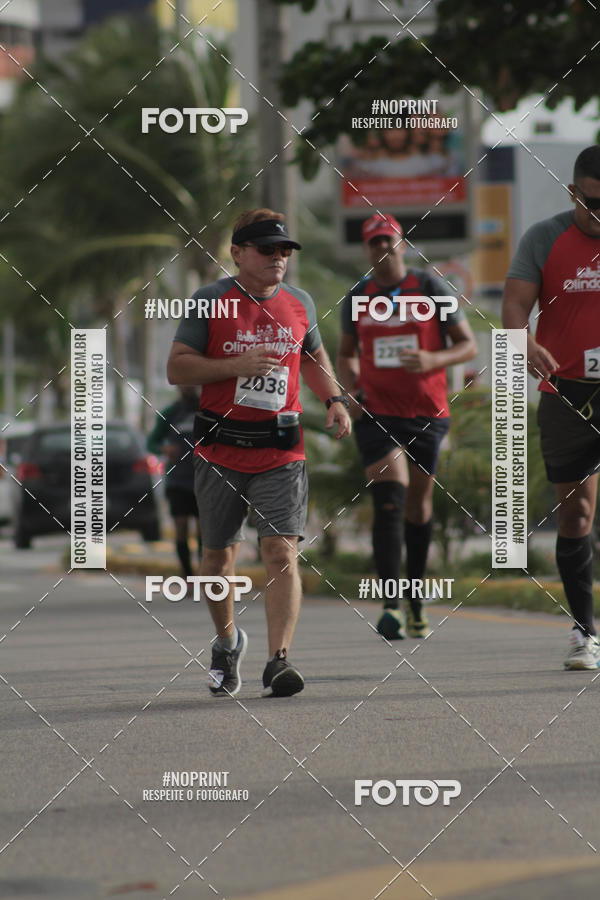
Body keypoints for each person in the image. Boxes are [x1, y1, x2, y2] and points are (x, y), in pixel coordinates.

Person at [167, 208, 351, 697]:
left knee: (280, 551)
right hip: (220, 450)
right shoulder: (210, 301)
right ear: (238, 253)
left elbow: (312, 356)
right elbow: (178, 368)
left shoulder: (300, 302)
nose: (278, 258)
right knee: (216, 560)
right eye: (267, 249)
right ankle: (228, 642)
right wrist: (236, 365)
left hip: (281, 450)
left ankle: (279, 661)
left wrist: (333, 399)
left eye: (284, 250)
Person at [336, 213, 478, 640]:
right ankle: (390, 606)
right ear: (367, 250)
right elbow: (345, 354)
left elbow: (467, 345)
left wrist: (433, 359)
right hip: (376, 411)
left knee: (418, 506)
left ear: (402, 244)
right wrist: (351, 389)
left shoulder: (430, 287)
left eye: (389, 240)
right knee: (389, 497)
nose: (383, 248)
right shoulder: (358, 296)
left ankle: (415, 601)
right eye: (375, 242)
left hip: (426, 411)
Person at [503, 145, 600, 671]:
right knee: (575, 512)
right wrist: (523, 341)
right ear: (573, 192)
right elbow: (516, 303)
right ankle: (585, 633)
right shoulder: (544, 237)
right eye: (593, 203)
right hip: (567, 393)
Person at [147, 386, 202, 583]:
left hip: (203, 479)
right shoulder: (171, 413)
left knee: (203, 530)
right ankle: (187, 576)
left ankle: (205, 574)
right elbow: (152, 443)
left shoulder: (206, 409)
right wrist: (165, 448)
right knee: (180, 527)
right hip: (177, 480)